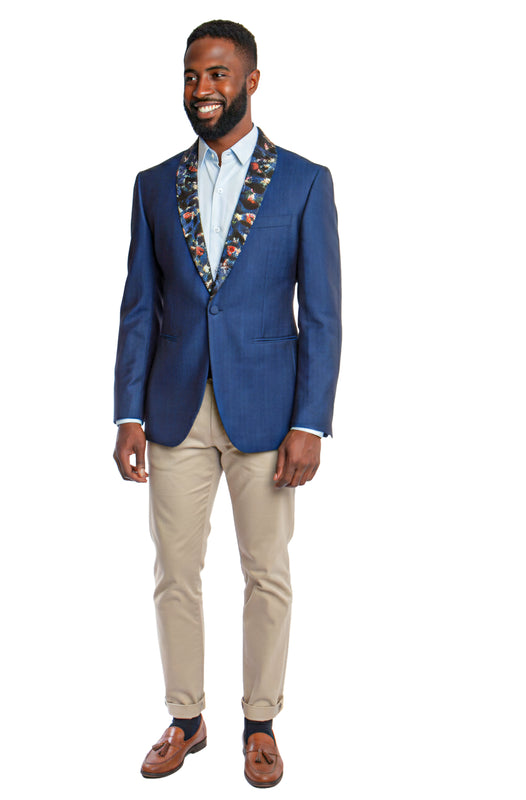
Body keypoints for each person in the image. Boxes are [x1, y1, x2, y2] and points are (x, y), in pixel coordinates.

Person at [113, 19, 341, 788]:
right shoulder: (153, 185)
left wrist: (309, 421)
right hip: (174, 410)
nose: (202, 89)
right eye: (191, 75)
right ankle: (187, 719)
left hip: (268, 415)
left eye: (216, 74)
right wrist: (128, 413)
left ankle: (261, 724)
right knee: (174, 572)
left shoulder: (304, 182)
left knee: (266, 572)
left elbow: (324, 314)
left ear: (250, 80)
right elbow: (138, 308)